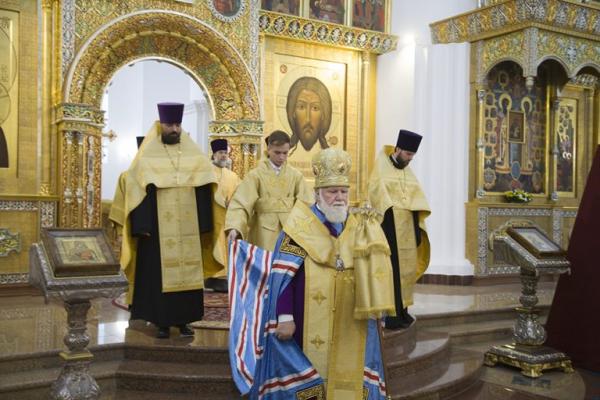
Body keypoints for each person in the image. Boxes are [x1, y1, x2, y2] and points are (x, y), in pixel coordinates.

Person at [229, 148, 395, 399]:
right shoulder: (298, 228)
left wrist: (378, 305)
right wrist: (284, 316)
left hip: (349, 320)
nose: (339, 198)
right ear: (317, 194)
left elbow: (373, 271)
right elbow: (282, 278)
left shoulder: (358, 228)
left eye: (343, 191)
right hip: (304, 320)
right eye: (332, 191)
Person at [109, 102, 216, 339]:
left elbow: (203, 189)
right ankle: (162, 322)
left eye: (177, 124)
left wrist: (204, 223)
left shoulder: (193, 154)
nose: (174, 129)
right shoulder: (148, 156)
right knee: (157, 277)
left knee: (189, 275)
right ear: (161, 125)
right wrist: (142, 226)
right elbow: (139, 190)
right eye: (170, 125)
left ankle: (185, 320)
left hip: (188, 227)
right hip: (157, 229)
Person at [367, 129, 431, 330]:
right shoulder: (382, 167)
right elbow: (377, 196)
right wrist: (387, 229)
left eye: (413, 155)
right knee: (393, 272)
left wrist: (416, 228)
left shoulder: (407, 171)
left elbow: (416, 199)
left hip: (407, 230)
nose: (410, 158)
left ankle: (403, 311)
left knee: (406, 271)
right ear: (398, 149)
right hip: (390, 228)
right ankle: (392, 316)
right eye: (408, 154)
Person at [225, 130, 311, 251]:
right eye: (277, 152)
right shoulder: (255, 175)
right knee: (264, 261)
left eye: (285, 153)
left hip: (290, 231)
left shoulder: (296, 176)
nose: (281, 157)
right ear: (269, 149)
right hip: (262, 233)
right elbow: (241, 203)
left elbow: (306, 203)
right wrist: (235, 227)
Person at [202, 138, 240, 293]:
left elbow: (239, 195)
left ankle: (223, 277)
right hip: (211, 217)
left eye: (225, 152)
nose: (224, 155)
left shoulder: (233, 176)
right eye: (220, 152)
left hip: (227, 218)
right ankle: (211, 277)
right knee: (212, 247)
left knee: (225, 247)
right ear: (214, 155)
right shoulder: (206, 173)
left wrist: (232, 203)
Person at [286, 77, 332, 154]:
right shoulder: (282, 153)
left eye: (315, 108)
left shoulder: (330, 156)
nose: (308, 119)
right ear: (293, 112)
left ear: (324, 114)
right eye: (301, 107)